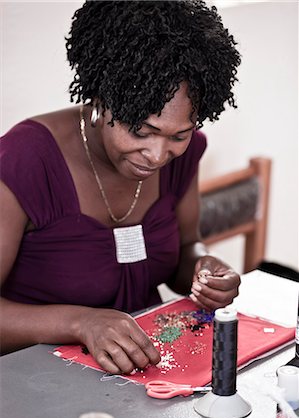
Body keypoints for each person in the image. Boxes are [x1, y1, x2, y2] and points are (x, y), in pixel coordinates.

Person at [0, 0, 241, 374]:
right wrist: (80, 323)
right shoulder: (24, 160)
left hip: (143, 375)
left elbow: (184, 251)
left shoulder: (184, 156)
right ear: (99, 102)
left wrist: (203, 270)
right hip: (29, 383)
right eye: (141, 131)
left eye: (180, 135)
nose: (159, 155)